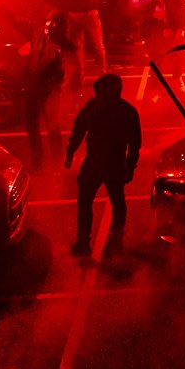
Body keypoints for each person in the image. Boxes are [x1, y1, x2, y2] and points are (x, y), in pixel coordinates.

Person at [65, 72, 141, 257]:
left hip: (97, 162)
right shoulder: (128, 111)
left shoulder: (93, 106)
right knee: (116, 202)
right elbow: (135, 143)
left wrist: (70, 152)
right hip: (112, 163)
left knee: (88, 201)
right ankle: (114, 242)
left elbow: (79, 129)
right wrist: (129, 167)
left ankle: (84, 243)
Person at [25, 12, 72, 165]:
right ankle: (38, 160)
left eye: (51, 23)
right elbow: (14, 19)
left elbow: (68, 70)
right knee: (33, 125)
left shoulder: (64, 45)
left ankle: (57, 160)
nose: (47, 25)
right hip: (34, 87)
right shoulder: (37, 33)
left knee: (52, 126)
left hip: (48, 90)